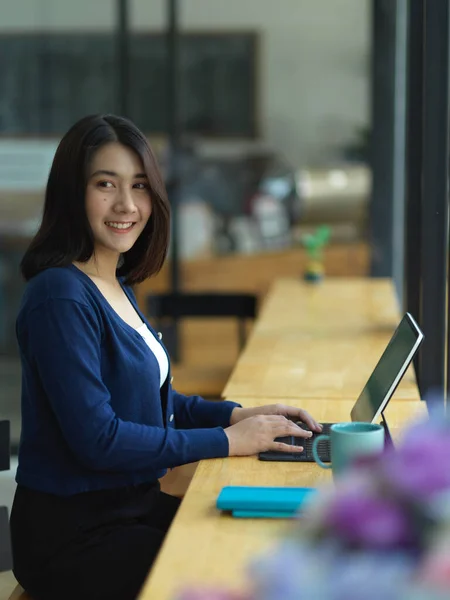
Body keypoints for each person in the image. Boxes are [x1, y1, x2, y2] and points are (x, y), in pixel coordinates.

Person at [9, 114, 322, 600]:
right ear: (73, 192)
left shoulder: (115, 282)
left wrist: (243, 415)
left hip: (129, 508)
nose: (126, 205)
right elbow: (99, 439)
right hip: (74, 534)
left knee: (256, 545)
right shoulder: (60, 297)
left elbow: (158, 402)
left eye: (139, 185)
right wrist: (226, 440)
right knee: (229, 570)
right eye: (104, 184)